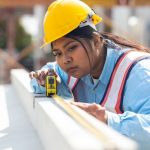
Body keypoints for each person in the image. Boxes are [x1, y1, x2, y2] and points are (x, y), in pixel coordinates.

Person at [29, 0, 150, 149]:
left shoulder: (138, 73)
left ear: (96, 41)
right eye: (57, 53)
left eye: (72, 47)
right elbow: (39, 80)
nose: (65, 59)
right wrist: (45, 82)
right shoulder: (73, 69)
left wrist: (107, 120)